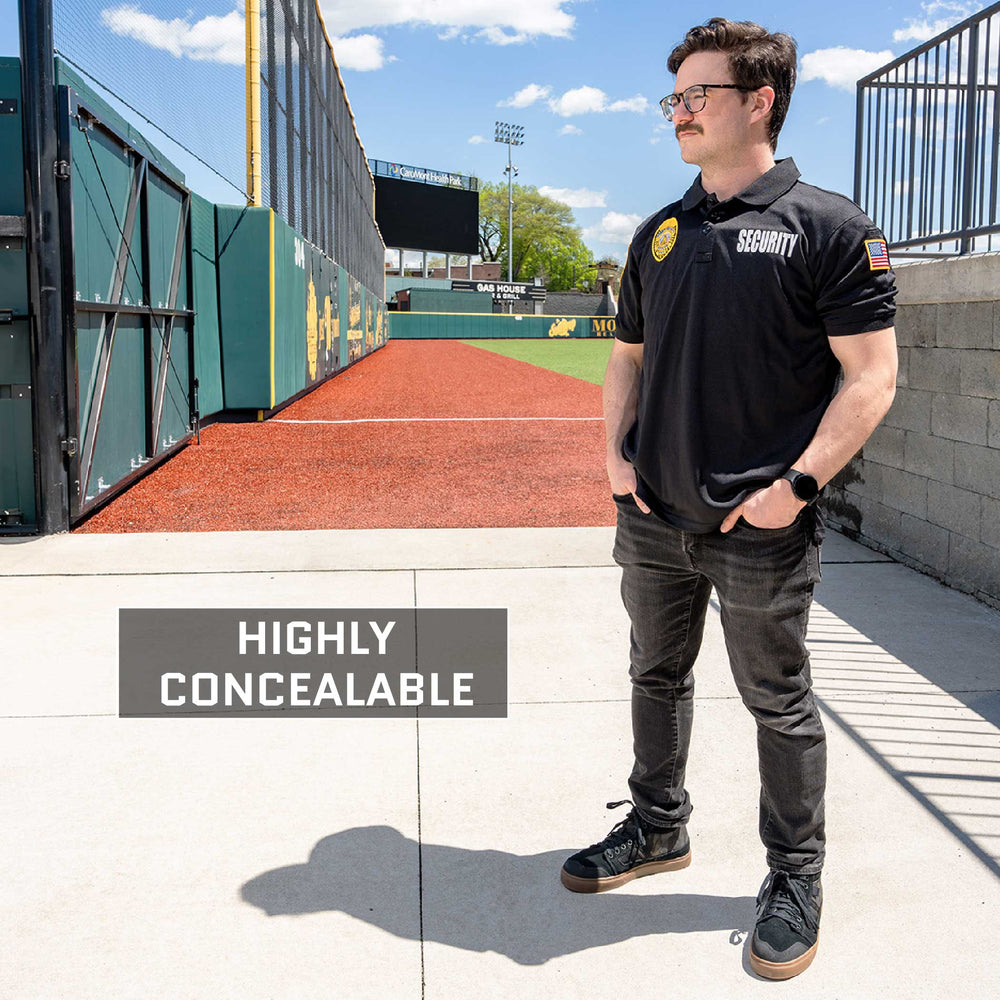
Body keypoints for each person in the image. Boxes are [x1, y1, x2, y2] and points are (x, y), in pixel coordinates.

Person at [560, 18, 898, 981]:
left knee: (776, 702)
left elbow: (871, 378)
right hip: (653, 516)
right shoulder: (658, 232)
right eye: (673, 98)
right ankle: (658, 829)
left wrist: (795, 489)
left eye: (696, 96)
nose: (679, 113)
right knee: (653, 678)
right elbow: (625, 357)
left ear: (760, 102)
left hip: (760, 529)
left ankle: (796, 875)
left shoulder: (829, 228)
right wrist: (615, 463)